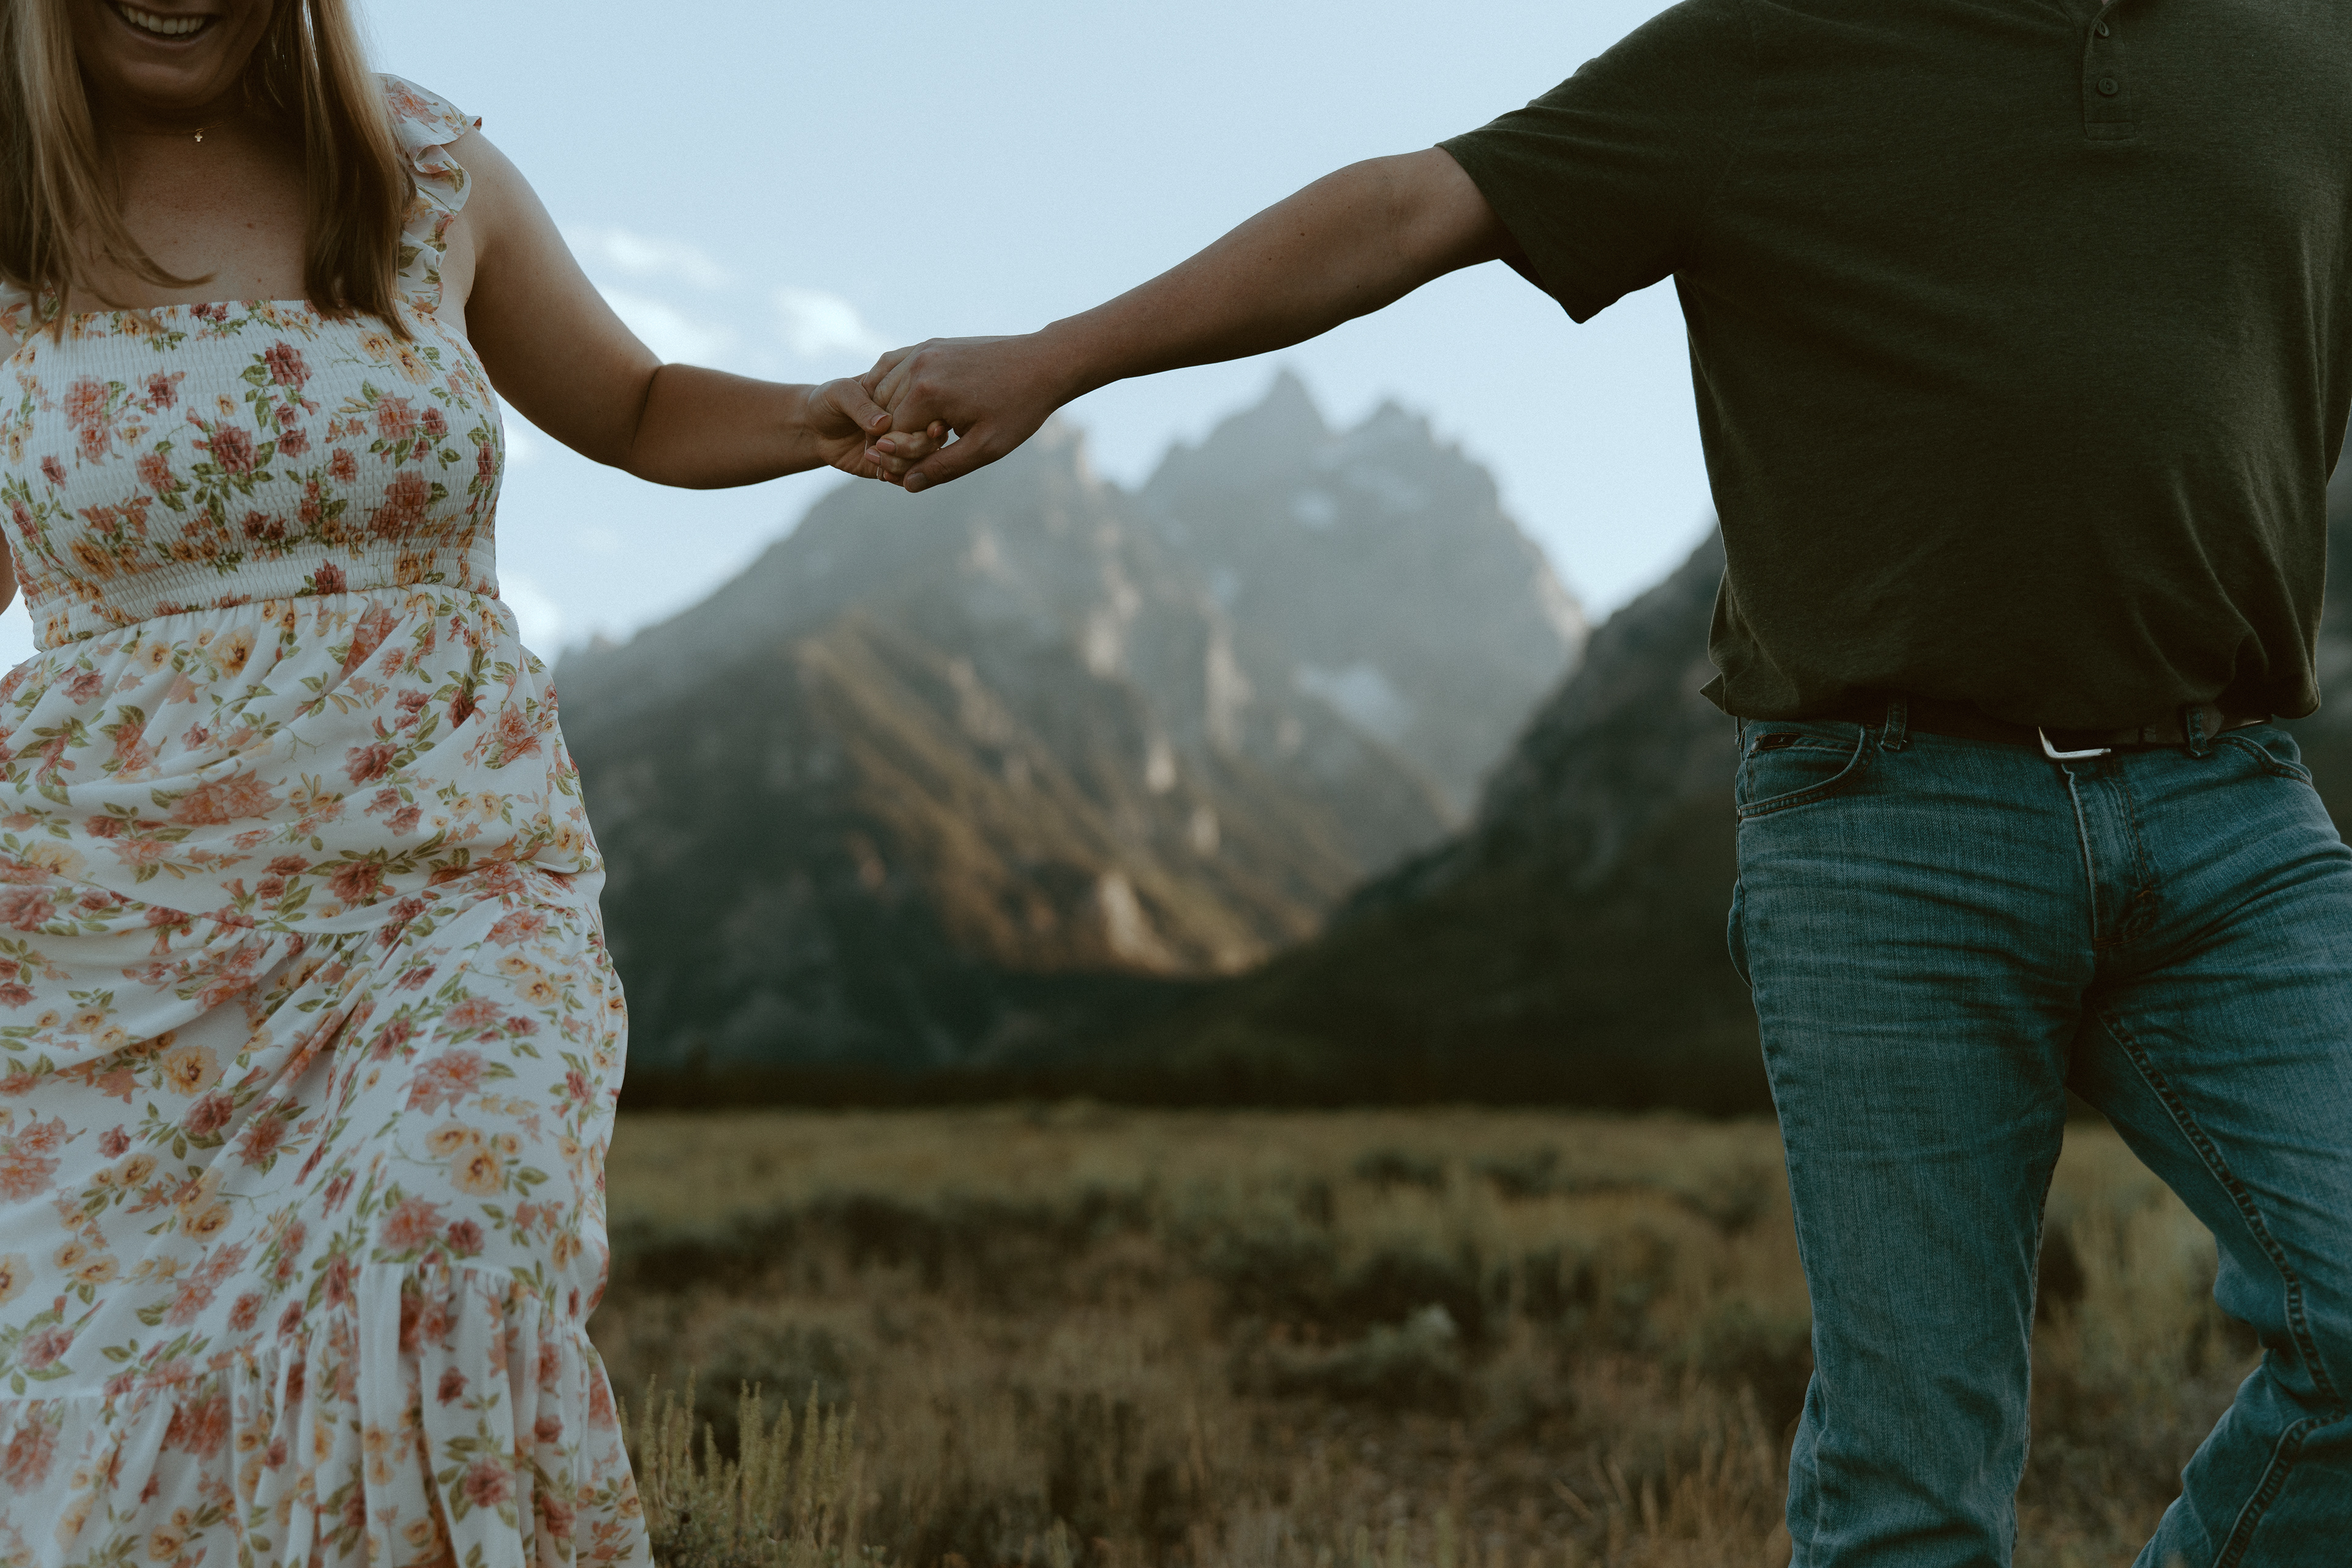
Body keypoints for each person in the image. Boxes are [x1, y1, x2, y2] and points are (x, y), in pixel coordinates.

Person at [855, 2, 2352, 1564]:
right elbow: (1410, 204)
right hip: (1891, 821)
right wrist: (1056, 357)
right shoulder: (1779, 41)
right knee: (1914, 1483)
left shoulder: (2315, 42)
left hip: (2232, 802)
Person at [0, 1, 932, 1562]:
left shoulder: (421, 160)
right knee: (115, 1383)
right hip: (110, 941)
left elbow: (628, 404)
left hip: (451, 869)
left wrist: (817, 419)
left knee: (458, 1249)